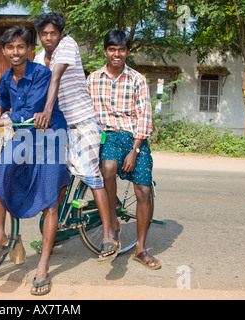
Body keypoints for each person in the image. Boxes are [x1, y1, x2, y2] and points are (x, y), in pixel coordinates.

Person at [0, 25, 70, 295]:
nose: (15, 52)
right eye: (10, 47)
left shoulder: (41, 74)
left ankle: (43, 267)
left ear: (30, 49)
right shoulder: (5, 76)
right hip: (25, 135)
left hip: (51, 136)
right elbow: (2, 97)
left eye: (20, 47)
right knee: (0, 174)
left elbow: (29, 110)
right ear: (4, 51)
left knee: (50, 200)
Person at [33, 12, 120, 261]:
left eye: (53, 33)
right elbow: (37, 88)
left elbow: (56, 77)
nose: (49, 38)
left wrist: (47, 111)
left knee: (92, 176)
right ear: (39, 36)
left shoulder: (67, 45)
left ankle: (107, 235)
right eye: (44, 34)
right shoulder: (39, 57)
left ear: (60, 34)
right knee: (57, 180)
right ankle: (54, 232)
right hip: (58, 126)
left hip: (83, 123)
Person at [87, 29, 161, 269]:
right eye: (112, 49)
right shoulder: (93, 79)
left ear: (127, 51)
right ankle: (113, 224)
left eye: (121, 50)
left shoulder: (137, 79)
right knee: (107, 167)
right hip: (108, 137)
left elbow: (144, 117)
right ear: (106, 51)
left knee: (143, 190)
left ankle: (140, 248)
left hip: (135, 139)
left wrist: (135, 150)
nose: (116, 54)